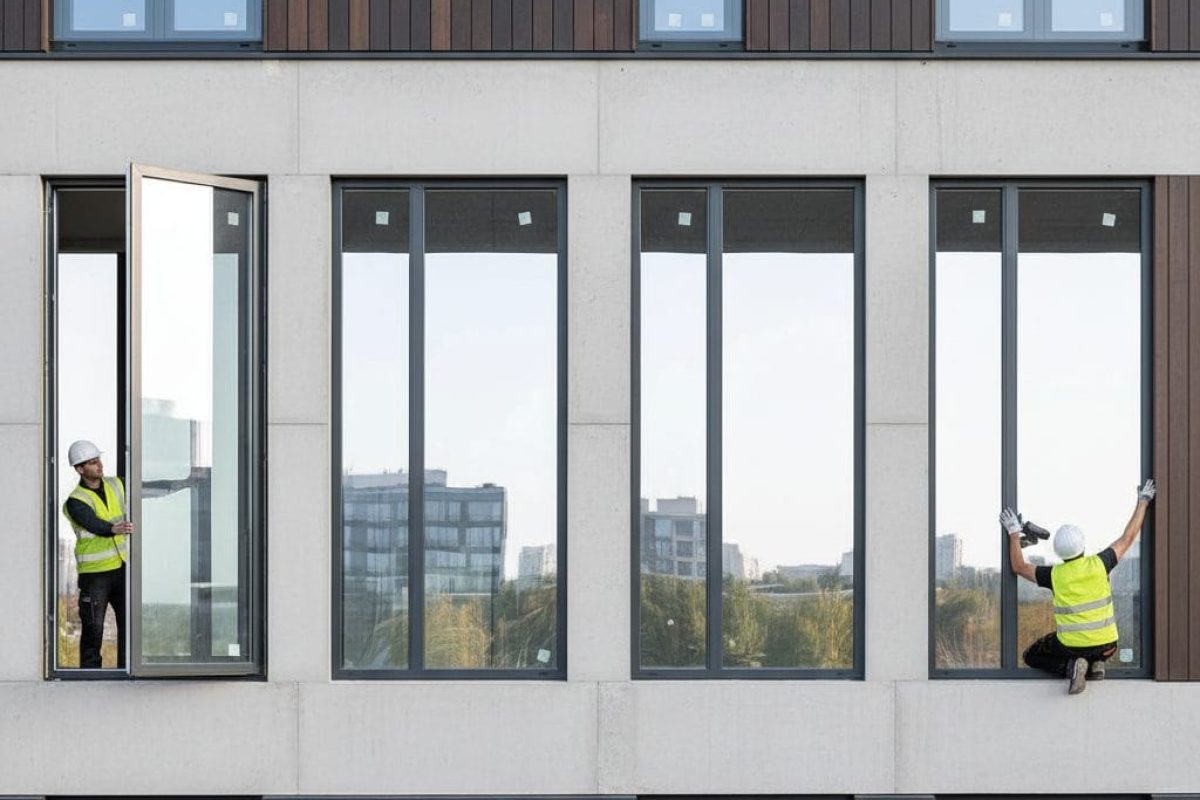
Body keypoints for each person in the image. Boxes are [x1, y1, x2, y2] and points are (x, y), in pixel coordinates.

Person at [999, 478, 1155, 695]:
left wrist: (1014, 533)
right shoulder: (1100, 563)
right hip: (1108, 646)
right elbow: (1128, 537)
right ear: (1082, 545)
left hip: (1071, 648)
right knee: (1095, 647)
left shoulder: (1055, 575)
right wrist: (1143, 501)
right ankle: (1095, 665)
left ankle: (1073, 667)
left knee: (1032, 655)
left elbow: (1018, 566)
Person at [62, 440, 134, 669]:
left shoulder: (116, 485)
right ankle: (91, 678)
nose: (99, 465)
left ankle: (127, 670)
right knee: (94, 630)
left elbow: (145, 487)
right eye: (92, 463)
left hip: (121, 568)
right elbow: (91, 522)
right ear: (80, 469)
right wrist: (113, 528)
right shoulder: (75, 501)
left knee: (129, 626)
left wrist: (182, 483)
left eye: (98, 460)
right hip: (95, 577)